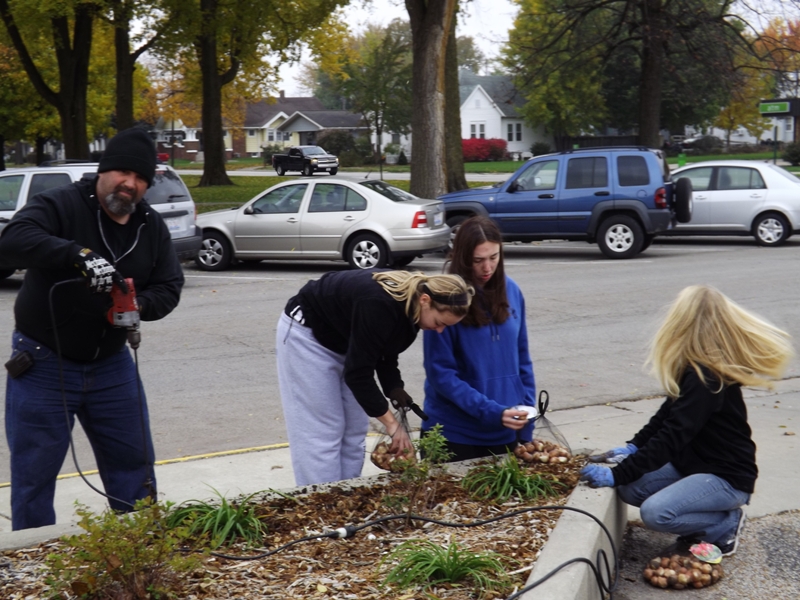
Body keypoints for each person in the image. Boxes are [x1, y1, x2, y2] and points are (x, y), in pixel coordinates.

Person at [0, 128, 185, 530]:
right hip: (43, 361)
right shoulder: (61, 204)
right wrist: (77, 255)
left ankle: (139, 547)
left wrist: (136, 306)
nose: (130, 184)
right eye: (123, 172)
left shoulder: (150, 225)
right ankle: (35, 555)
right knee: (34, 473)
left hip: (112, 365)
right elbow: (12, 240)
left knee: (134, 463)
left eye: (141, 178)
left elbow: (170, 286)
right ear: (103, 170)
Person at [580, 285, 793, 556]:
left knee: (655, 513)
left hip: (727, 478)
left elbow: (673, 435)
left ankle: (724, 525)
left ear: (682, 322)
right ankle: (703, 515)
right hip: (694, 466)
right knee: (630, 489)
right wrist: (634, 447)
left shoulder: (708, 378)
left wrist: (617, 473)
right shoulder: (694, 367)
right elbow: (665, 416)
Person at [276, 269, 475, 486]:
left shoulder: (413, 310)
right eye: (439, 322)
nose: (440, 330)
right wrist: (392, 425)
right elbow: (358, 374)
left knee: (354, 430)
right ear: (425, 300)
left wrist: (394, 388)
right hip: (308, 334)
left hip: (345, 342)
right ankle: (319, 498)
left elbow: (384, 349)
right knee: (323, 432)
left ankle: (345, 492)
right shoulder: (379, 303)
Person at [421, 216, 536, 462]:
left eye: (494, 257)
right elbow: (441, 375)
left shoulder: (513, 291)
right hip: (454, 435)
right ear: (463, 259)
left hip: (505, 431)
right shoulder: (445, 299)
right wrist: (492, 412)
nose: (487, 268)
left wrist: (527, 420)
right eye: (478, 260)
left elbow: (522, 360)